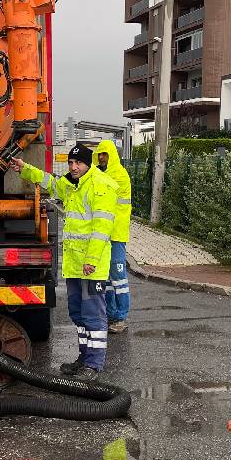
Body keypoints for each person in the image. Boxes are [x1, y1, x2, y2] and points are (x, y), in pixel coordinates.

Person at [9, 143, 118, 381]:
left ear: (88, 164)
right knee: (78, 314)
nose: (73, 167)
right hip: (74, 265)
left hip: (91, 266)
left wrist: (90, 260)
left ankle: (94, 364)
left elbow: (102, 228)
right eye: (70, 163)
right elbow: (49, 181)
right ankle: (84, 357)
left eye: (78, 163)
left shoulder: (101, 187)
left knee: (93, 315)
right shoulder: (72, 185)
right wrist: (24, 168)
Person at [92, 140, 132, 334]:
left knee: (118, 277)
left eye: (105, 154)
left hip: (115, 234)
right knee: (106, 278)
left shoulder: (120, 175)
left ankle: (121, 317)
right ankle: (111, 314)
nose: (101, 158)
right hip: (103, 235)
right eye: (99, 154)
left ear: (112, 156)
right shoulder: (99, 174)